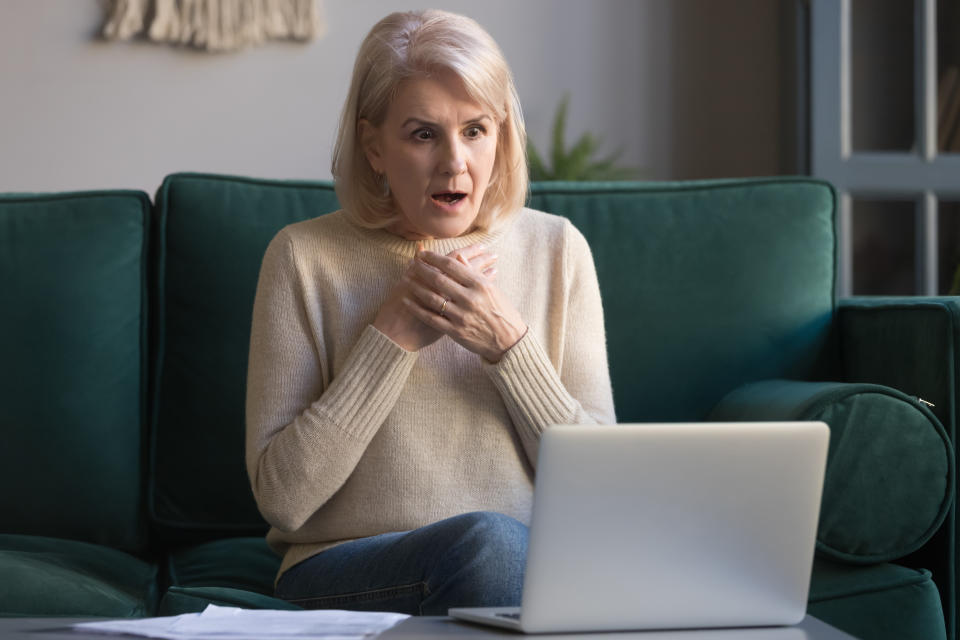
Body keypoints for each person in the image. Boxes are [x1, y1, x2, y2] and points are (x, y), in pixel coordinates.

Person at [245, 8, 616, 616]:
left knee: (514, 551)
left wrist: (509, 346)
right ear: (374, 147)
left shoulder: (558, 249)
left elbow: (602, 489)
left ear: (502, 134)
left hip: (528, 568)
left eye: (475, 130)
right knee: (490, 547)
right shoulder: (301, 258)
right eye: (423, 134)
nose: (455, 163)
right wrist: (389, 339)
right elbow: (283, 499)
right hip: (346, 564)